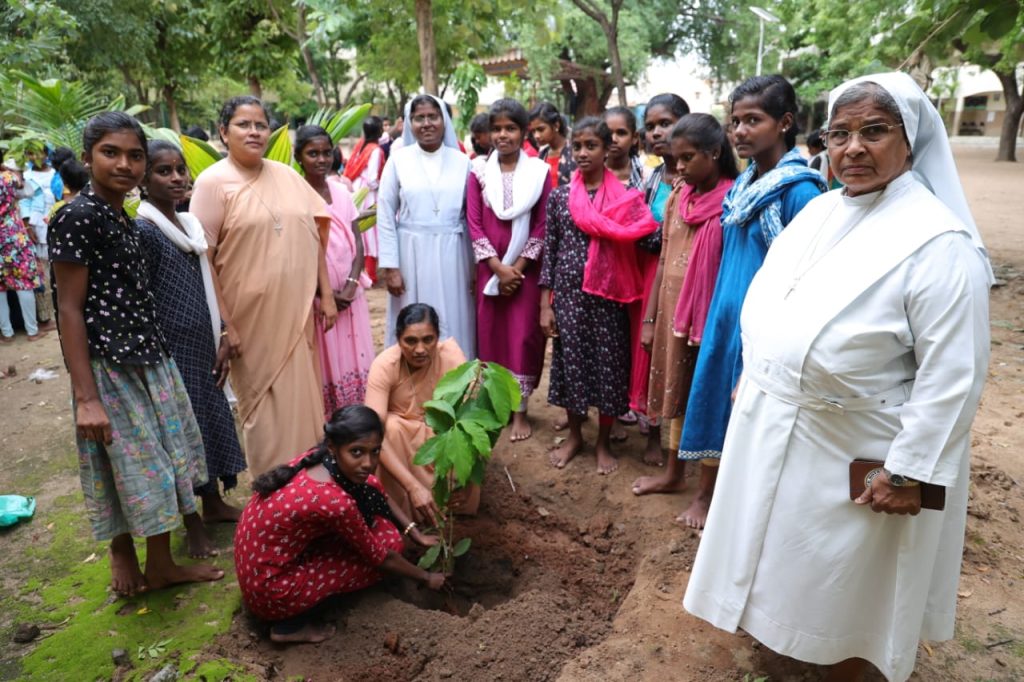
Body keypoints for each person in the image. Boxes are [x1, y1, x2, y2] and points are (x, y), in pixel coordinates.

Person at [683, 72, 993, 682]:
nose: (853, 148)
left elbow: (954, 375)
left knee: (849, 588)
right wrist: (756, 375)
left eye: (874, 131)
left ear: (911, 141)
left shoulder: (940, 245)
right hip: (776, 423)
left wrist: (910, 470)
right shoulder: (822, 209)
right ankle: (788, 656)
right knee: (783, 564)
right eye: (841, 133)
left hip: (861, 446)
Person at [49, 112, 224, 596]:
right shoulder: (77, 217)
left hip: (149, 356)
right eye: (111, 153)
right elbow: (69, 310)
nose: (124, 165)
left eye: (134, 155)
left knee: (161, 461)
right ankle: (128, 554)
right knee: (130, 464)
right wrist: (86, 397)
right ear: (87, 158)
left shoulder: (120, 217)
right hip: (110, 367)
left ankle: (161, 562)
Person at [676, 75, 826, 529]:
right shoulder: (745, 184)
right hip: (727, 314)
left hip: (768, 327)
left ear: (784, 122)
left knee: (758, 415)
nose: (739, 130)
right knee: (716, 402)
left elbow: (807, 275)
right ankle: (706, 495)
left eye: (753, 120)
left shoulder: (801, 191)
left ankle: (747, 510)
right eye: (735, 120)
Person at [190, 96, 338, 477]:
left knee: (303, 397)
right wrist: (227, 325)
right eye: (243, 124)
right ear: (223, 132)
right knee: (264, 403)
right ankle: (274, 489)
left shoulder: (286, 174)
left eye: (260, 124)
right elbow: (203, 259)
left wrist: (325, 295)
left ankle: (312, 480)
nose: (254, 132)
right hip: (249, 318)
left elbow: (315, 235)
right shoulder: (211, 183)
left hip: (298, 311)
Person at [235, 405, 444, 644]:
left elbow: (375, 488)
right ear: (334, 448)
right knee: (390, 542)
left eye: (375, 452)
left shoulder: (318, 460)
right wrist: (426, 578)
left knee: (381, 528)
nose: (368, 462)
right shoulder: (335, 503)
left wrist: (415, 533)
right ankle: (290, 626)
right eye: (357, 452)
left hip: (257, 566)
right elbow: (381, 557)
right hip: (271, 592)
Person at [135, 140, 247, 558]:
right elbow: (145, 299)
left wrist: (221, 334)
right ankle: (191, 521)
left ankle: (214, 502)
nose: (178, 177)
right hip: (173, 348)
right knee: (182, 433)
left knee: (211, 419)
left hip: (203, 342)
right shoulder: (145, 231)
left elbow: (206, 286)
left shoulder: (189, 226)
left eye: (180, 169)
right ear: (145, 180)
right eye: (164, 171)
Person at [539, 117, 659, 475]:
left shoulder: (626, 199)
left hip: (610, 300)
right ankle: (576, 436)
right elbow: (551, 251)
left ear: (607, 150)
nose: (583, 153)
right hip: (569, 299)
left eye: (591, 145)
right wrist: (547, 305)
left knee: (609, 371)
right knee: (571, 366)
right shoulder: (560, 198)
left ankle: (603, 442)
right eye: (577, 146)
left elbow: (647, 236)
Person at [632, 114, 738, 498]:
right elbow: (663, 260)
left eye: (688, 157)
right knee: (676, 393)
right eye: (675, 158)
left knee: (706, 394)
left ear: (714, 152)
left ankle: (706, 493)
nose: (678, 166)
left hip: (711, 316)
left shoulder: (734, 201)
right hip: (672, 313)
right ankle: (674, 474)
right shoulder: (678, 196)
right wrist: (649, 319)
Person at [466, 99, 550, 443]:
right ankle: (493, 405)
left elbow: (543, 224)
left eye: (510, 128)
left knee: (524, 337)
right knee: (491, 334)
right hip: (491, 271)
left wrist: (517, 269)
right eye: (497, 128)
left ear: (523, 131)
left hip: (525, 274)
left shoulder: (540, 173)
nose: (503, 135)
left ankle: (520, 411)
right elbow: (473, 221)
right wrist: (498, 268)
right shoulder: (478, 171)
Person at [377, 94, 475, 358]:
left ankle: (456, 381)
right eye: (419, 118)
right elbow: (385, 214)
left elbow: (472, 217)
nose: (426, 123)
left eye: (433, 116)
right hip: (411, 254)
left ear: (444, 121)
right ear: (410, 123)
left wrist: (475, 266)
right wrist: (391, 266)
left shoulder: (463, 162)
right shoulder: (398, 160)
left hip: (454, 254)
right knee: (413, 316)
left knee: (454, 316)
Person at [365, 303, 475, 524]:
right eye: (411, 341)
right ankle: (402, 511)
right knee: (389, 428)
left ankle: (450, 497)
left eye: (428, 339)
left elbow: (472, 422)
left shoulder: (452, 359)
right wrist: (412, 487)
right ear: (398, 339)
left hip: (443, 438)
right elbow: (370, 432)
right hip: (401, 446)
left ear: (437, 337)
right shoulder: (385, 365)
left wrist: (469, 483)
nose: (420, 349)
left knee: (462, 430)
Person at [295, 125, 375, 414]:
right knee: (327, 359)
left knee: (355, 357)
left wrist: (352, 284)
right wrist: (325, 293)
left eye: (326, 153)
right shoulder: (296, 197)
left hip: (351, 297)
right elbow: (297, 256)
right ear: (298, 157)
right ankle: (331, 423)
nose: (321, 159)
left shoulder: (341, 192)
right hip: (319, 301)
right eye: (312, 153)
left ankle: (357, 418)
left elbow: (357, 241)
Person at [629, 93, 690, 459]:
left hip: (678, 276)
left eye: (665, 124)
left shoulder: (697, 176)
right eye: (650, 126)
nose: (656, 132)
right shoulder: (651, 177)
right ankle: (651, 431)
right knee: (645, 351)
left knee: (675, 352)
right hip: (645, 274)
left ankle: (676, 438)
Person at [0, 169, 44, 343]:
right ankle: (32, 331)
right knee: (24, 282)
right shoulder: (8, 177)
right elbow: (29, 191)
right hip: (13, 236)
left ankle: (7, 333)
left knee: (0, 288)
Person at [343, 115, 385, 282]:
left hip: (356, 190)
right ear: (378, 131)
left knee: (360, 232)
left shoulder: (361, 146)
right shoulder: (375, 150)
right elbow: (373, 179)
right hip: (368, 193)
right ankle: (371, 274)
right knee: (370, 233)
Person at [21, 144, 57, 332]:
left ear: (46, 153)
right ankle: (45, 317)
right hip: (36, 227)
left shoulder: (56, 172)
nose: (34, 155)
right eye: (30, 152)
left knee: (58, 273)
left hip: (57, 224)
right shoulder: (25, 176)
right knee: (41, 275)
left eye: (38, 151)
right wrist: (27, 225)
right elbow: (23, 201)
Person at [529, 102, 575, 187]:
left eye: (541, 129)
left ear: (556, 126)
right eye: (533, 131)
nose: (536, 136)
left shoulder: (575, 153)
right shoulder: (542, 156)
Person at [603, 106, 645, 189]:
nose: (614, 139)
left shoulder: (646, 176)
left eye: (621, 133)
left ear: (634, 138)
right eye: (608, 133)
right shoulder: (590, 175)